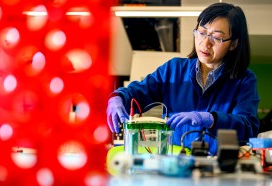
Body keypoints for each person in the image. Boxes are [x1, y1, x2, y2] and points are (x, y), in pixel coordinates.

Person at [106, 2, 260, 155]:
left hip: (217, 169)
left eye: (217, 37)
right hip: (176, 165)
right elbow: (138, 92)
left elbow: (248, 126)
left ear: (233, 44)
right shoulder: (173, 70)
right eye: (201, 32)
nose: (205, 43)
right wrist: (118, 97)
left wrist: (211, 119)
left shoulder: (244, 81)